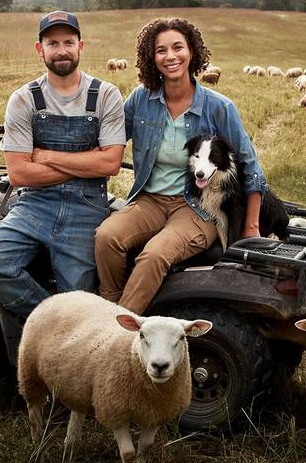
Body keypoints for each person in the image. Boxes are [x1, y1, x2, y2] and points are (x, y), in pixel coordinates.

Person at [95, 17, 268, 314]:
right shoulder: (141, 99)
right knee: (106, 237)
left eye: (178, 47)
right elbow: (109, 140)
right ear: (152, 57)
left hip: (199, 207)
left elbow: (250, 166)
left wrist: (251, 226)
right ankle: (109, 305)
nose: (170, 56)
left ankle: (118, 327)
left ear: (192, 52)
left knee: (154, 255)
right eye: (161, 50)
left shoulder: (218, 107)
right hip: (150, 199)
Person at [0, 11, 125, 332]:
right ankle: (56, 325)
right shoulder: (24, 99)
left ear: (81, 46)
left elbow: (109, 164)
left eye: (68, 42)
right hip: (34, 205)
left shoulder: (105, 95)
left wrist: (44, 156)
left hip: (87, 208)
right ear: (40, 49)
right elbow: (20, 174)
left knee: (79, 297)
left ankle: (69, 329)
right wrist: (86, 163)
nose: (62, 50)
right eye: (52, 43)